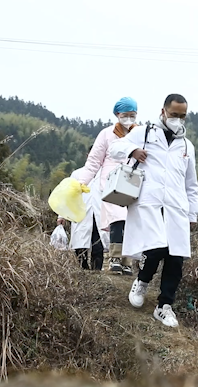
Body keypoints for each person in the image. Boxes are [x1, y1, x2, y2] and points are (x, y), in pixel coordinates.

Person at [109, 94, 198, 327]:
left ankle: (164, 306)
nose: (177, 120)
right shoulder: (146, 133)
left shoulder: (187, 146)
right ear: (163, 112)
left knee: (176, 257)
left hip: (176, 206)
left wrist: (192, 213)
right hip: (150, 202)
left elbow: (191, 183)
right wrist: (133, 151)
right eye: (174, 115)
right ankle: (142, 280)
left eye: (182, 116)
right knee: (156, 247)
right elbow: (115, 147)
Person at [73, 97, 139, 276]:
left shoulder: (140, 133)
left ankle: (128, 261)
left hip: (134, 181)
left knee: (131, 222)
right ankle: (115, 259)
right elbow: (94, 161)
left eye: (132, 115)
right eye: (125, 115)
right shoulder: (106, 134)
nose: (129, 118)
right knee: (117, 219)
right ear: (117, 115)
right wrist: (82, 182)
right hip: (111, 183)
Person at [58, 165, 109, 271]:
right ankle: (83, 269)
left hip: (99, 213)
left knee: (98, 245)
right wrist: (61, 215)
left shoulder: (106, 174)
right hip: (81, 214)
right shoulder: (77, 174)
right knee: (80, 244)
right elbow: (68, 195)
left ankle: (96, 271)